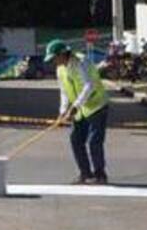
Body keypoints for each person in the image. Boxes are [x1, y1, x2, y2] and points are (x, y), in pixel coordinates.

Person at [45, 39, 110, 184]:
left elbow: (89, 85)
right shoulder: (60, 69)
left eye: (54, 58)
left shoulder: (81, 62)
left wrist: (75, 106)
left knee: (94, 142)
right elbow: (63, 91)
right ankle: (85, 174)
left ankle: (100, 175)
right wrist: (63, 111)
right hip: (80, 109)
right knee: (75, 140)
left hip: (96, 105)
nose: (53, 62)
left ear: (62, 54)